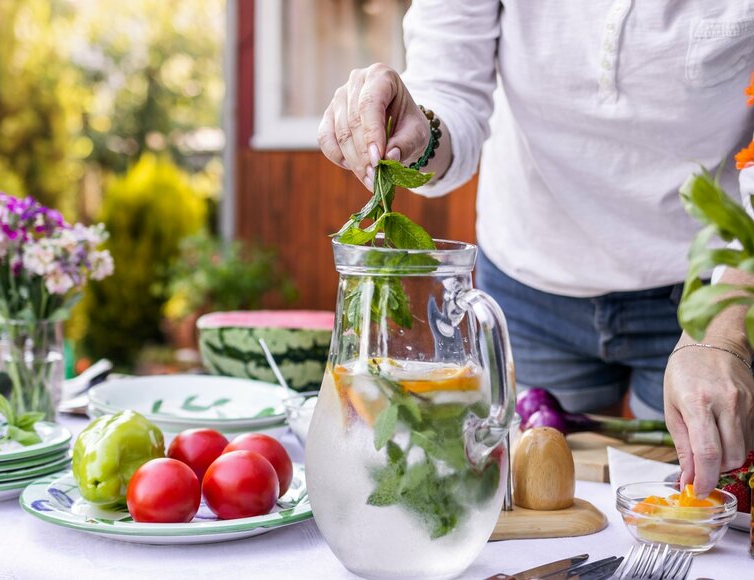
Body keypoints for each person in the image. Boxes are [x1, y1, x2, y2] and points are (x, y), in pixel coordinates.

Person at [317, 0, 754, 495]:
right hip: (530, 282)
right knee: (534, 494)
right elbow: (451, 95)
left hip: (708, 284)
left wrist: (723, 333)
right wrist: (419, 129)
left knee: (699, 508)